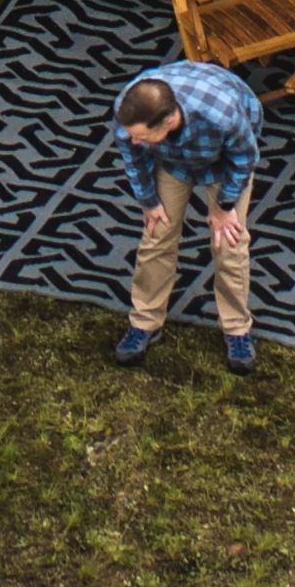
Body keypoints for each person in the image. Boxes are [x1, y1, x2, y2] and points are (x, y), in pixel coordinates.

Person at [114, 59, 261, 373]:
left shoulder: (222, 116)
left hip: (224, 163)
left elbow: (244, 157)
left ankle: (237, 328)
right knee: (156, 235)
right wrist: (149, 201)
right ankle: (145, 322)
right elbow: (133, 154)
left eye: (142, 135)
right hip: (172, 162)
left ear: (168, 120)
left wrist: (224, 207)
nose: (134, 139)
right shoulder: (130, 109)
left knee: (229, 242)